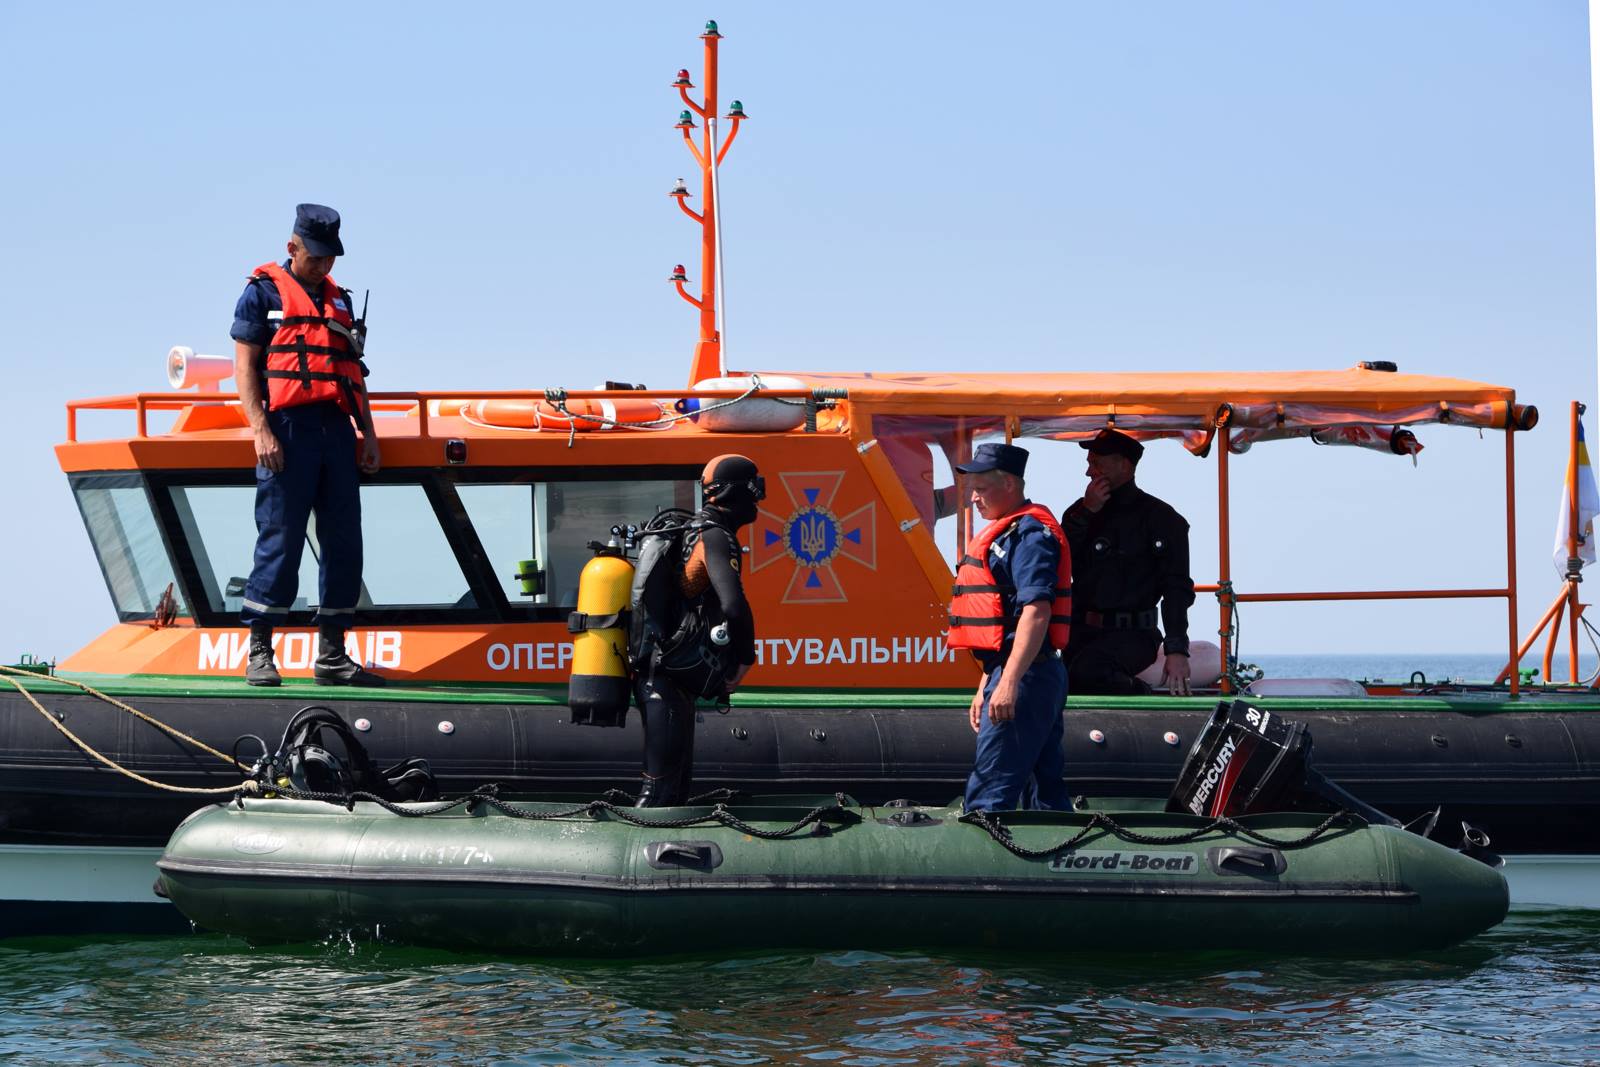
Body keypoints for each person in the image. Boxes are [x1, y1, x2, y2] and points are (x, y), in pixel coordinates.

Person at [232, 204, 384, 687]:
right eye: (315, 256)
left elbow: (353, 373)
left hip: (335, 430)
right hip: (287, 429)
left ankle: (332, 655)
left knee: (344, 541)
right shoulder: (261, 294)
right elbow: (244, 368)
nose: (322, 266)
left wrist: (368, 434)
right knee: (280, 538)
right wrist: (261, 430)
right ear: (292, 247)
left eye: (329, 257)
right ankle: (260, 650)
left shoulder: (341, 301)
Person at [948, 442, 1073, 812]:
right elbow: (1006, 622)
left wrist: (1010, 682)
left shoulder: (1029, 536)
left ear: (1009, 485)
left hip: (1028, 675)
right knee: (1044, 792)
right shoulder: (1009, 534)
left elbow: (1036, 611)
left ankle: (984, 850)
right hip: (1022, 671)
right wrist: (989, 680)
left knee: (990, 792)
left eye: (981, 489)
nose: (974, 498)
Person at [635, 454, 763, 806]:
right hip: (665, 677)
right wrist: (745, 659)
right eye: (755, 488)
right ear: (736, 491)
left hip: (664, 672)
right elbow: (734, 605)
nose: (758, 499)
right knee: (659, 792)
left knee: (673, 791)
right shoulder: (715, 535)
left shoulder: (695, 530)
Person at [1060, 429, 1195, 696]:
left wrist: (1177, 649)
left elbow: (1176, 589)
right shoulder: (1079, 513)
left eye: (1096, 463)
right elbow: (1060, 564)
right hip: (1081, 631)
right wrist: (1086, 513)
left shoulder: (1163, 519)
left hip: (1135, 634)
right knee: (1062, 680)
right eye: (1089, 463)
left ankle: (1142, 693)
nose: (1089, 472)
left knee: (1089, 671)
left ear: (1123, 464)